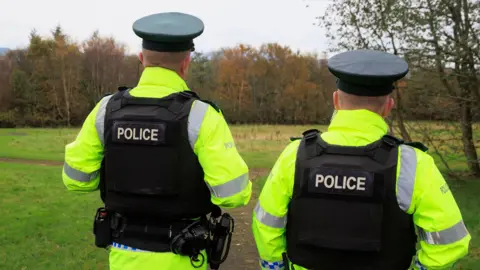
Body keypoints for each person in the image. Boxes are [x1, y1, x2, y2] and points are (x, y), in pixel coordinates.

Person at [62, 12, 252, 270]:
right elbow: (233, 194)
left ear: (142, 60)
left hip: (123, 255)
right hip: (183, 257)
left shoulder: (106, 110)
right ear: (186, 62)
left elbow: (76, 181)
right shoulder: (200, 115)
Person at [252, 49, 470, 270]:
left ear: (336, 100)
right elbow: (450, 241)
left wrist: (275, 266)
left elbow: (266, 223)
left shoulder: (296, 154)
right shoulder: (413, 163)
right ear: (388, 107)